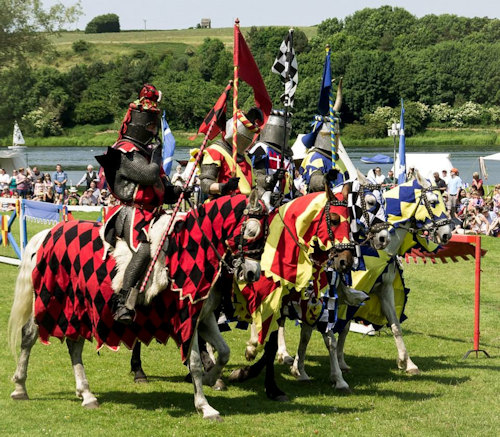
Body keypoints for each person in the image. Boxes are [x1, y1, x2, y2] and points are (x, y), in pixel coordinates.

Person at [96, 83, 182, 324]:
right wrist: (156, 158)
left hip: (153, 213)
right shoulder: (124, 151)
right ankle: (122, 301)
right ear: (141, 123)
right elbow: (147, 175)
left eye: (156, 124)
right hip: (130, 213)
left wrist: (176, 190)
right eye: (151, 125)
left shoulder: (144, 150)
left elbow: (161, 186)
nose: (154, 129)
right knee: (146, 247)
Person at [199, 107, 263, 200]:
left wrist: (270, 182)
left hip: (244, 205)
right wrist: (225, 187)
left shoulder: (246, 158)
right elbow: (205, 184)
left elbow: (253, 188)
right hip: (221, 204)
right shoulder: (215, 151)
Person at [248, 109, 295, 207]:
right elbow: (256, 179)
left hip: (287, 204)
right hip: (265, 203)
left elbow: (290, 185)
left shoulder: (288, 156)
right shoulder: (261, 149)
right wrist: (272, 178)